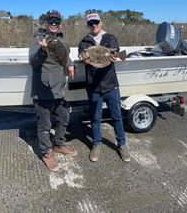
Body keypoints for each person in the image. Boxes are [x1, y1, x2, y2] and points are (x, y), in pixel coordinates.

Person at [78, 13, 131, 163]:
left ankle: (122, 145)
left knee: (116, 116)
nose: (94, 25)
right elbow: (82, 55)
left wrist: (115, 55)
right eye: (91, 23)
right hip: (94, 86)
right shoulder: (84, 41)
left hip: (111, 85)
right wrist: (84, 59)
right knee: (95, 117)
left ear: (101, 22)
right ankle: (96, 144)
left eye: (96, 22)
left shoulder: (110, 37)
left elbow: (114, 50)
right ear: (87, 26)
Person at [29, 10, 77, 172]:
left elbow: (66, 56)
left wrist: (71, 65)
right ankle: (46, 152)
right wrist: (43, 50)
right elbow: (33, 61)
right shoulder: (39, 39)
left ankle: (59, 144)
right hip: (43, 90)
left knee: (64, 117)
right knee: (44, 124)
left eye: (57, 21)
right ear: (45, 23)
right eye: (51, 21)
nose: (54, 24)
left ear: (60, 24)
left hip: (59, 89)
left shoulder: (61, 39)